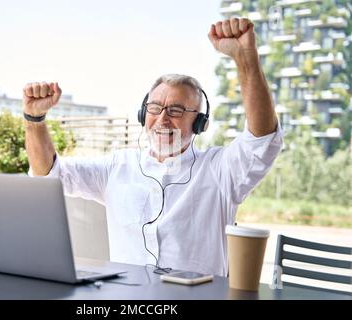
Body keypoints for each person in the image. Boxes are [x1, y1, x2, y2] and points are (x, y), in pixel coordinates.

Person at [22, 18, 284, 276]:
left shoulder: (220, 170)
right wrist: (34, 119)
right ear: (142, 114)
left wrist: (245, 57)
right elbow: (49, 174)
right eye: (155, 108)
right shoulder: (116, 167)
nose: (162, 118)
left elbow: (261, 139)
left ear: (200, 123)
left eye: (176, 110)